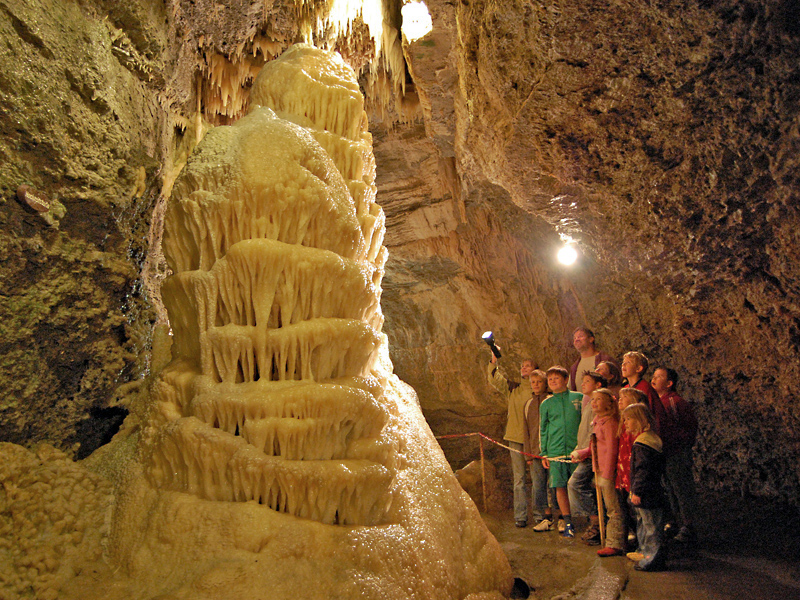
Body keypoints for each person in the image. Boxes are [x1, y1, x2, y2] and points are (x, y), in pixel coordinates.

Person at [572, 388, 624, 556]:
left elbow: (611, 449)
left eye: (598, 399)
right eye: (593, 399)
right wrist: (581, 453)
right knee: (608, 506)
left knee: (613, 508)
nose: (593, 403)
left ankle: (615, 542)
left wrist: (607, 474)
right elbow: (594, 445)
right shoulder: (598, 421)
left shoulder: (609, 423)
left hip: (606, 471)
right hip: (599, 469)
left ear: (609, 403)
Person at [488, 352, 536, 527]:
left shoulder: (539, 390)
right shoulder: (514, 388)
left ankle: (540, 515)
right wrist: (494, 360)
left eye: (528, 365)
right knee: (519, 479)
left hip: (535, 440)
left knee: (538, 478)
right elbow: (495, 379)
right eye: (522, 365)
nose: (524, 368)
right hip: (515, 437)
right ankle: (521, 516)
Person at [651, 366, 699, 544]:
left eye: (659, 377)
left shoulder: (675, 402)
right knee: (670, 489)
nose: (654, 379)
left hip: (676, 452)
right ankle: (678, 523)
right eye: (653, 376)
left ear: (669, 383)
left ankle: (689, 525)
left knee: (681, 488)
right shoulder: (658, 402)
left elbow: (689, 427)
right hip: (665, 452)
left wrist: (680, 444)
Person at [622, 402, 668, 571]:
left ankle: (653, 558)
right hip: (647, 491)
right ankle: (644, 552)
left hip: (648, 493)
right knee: (643, 523)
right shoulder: (648, 440)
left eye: (628, 419)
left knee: (651, 527)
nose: (625, 423)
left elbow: (643, 470)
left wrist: (637, 490)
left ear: (640, 420)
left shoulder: (644, 444)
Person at [539, 366, 583, 538]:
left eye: (557, 378)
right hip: (556, 451)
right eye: (550, 379)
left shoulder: (578, 398)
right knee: (559, 485)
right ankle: (567, 520)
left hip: (577, 450)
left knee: (581, 485)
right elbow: (543, 429)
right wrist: (544, 452)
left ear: (566, 380)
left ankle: (590, 520)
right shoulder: (546, 403)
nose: (553, 381)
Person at [567, 371, 606, 545]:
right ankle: (596, 522)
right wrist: (578, 448)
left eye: (587, 381)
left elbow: (596, 434)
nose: (582, 384)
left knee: (575, 484)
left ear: (598, 385)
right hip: (586, 452)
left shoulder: (598, 405)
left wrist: (585, 451)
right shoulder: (588, 403)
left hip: (594, 455)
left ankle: (597, 522)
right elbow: (585, 431)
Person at [617, 387, 647, 548]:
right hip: (623, 472)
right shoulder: (622, 424)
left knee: (639, 512)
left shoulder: (638, 431)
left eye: (625, 397)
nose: (619, 400)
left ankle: (644, 546)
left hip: (633, 474)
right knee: (628, 508)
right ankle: (636, 539)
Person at [523, 370, 553, 530]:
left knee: (554, 484)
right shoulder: (528, 404)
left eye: (539, 382)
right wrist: (528, 453)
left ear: (545, 383)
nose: (535, 385)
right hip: (535, 452)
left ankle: (560, 514)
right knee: (538, 484)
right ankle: (543, 515)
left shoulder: (551, 400)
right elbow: (526, 430)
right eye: (533, 382)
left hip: (552, 451)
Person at [621, 351, 666, 435]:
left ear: (638, 369)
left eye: (628, 362)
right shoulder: (625, 388)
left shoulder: (645, 388)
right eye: (623, 362)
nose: (623, 365)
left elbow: (654, 413)